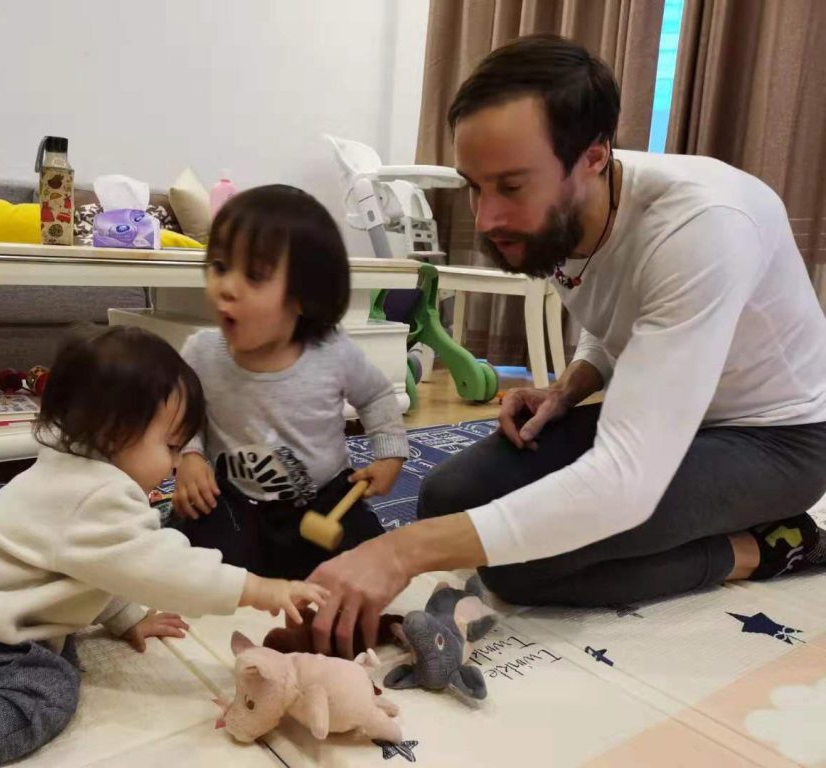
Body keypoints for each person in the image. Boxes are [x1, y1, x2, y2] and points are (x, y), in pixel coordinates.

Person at [307, 33, 826, 658]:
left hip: (779, 440)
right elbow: (615, 316)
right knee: (446, 499)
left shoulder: (702, 229)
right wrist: (570, 386)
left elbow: (624, 482)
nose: (487, 218)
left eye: (511, 187)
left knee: (523, 568)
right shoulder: (575, 204)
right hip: (673, 413)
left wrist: (399, 552)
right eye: (474, 186)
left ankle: (763, 548)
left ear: (594, 158)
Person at [0, 325, 327, 768]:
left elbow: (98, 568)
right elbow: (160, 567)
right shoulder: (98, 496)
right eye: (171, 446)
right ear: (115, 433)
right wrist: (256, 588)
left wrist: (127, 617)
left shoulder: (67, 472)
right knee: (50, 689)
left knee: (61, 650)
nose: (174, 463)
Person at [172, 184, 409, 579]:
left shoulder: (333, 353)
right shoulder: (201, 351)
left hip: (322, 499)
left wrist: (389, 455)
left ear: (303, 296)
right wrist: (191, 456)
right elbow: (181, 413)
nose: (226, 287)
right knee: (194, 554)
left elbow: (377, 395)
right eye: (220, 266)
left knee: (369, 561)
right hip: (234, 498)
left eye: (254, 275)